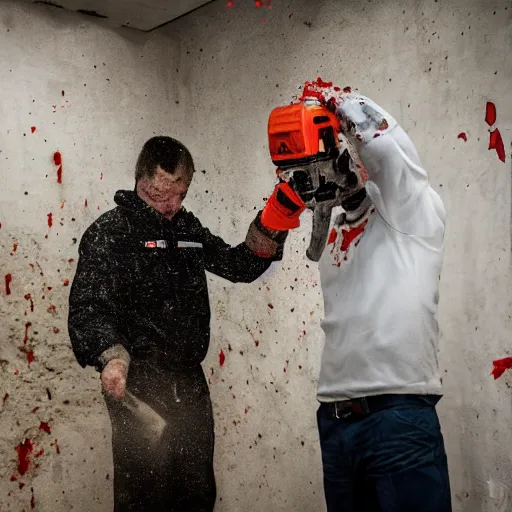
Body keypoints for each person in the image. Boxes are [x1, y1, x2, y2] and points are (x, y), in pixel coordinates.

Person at [67, 136, 305, 512]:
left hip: (190, 384)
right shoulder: (109, 233)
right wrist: (111, 355)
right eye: (162, 194)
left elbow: (238, 265)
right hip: (140, 384)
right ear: (141, 180)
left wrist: (276, 217)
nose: (172, 205)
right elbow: (88, 306)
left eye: (181, 193)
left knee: (196, 493)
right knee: (145, 497)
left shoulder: (186, 228)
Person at [286, 92, 451, 511]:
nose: (338, 168)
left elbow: (388, 153)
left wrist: (337, 102)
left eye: (346, 156)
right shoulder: (334, 230)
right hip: (336, 420)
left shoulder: (412, 211)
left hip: (397, 416)